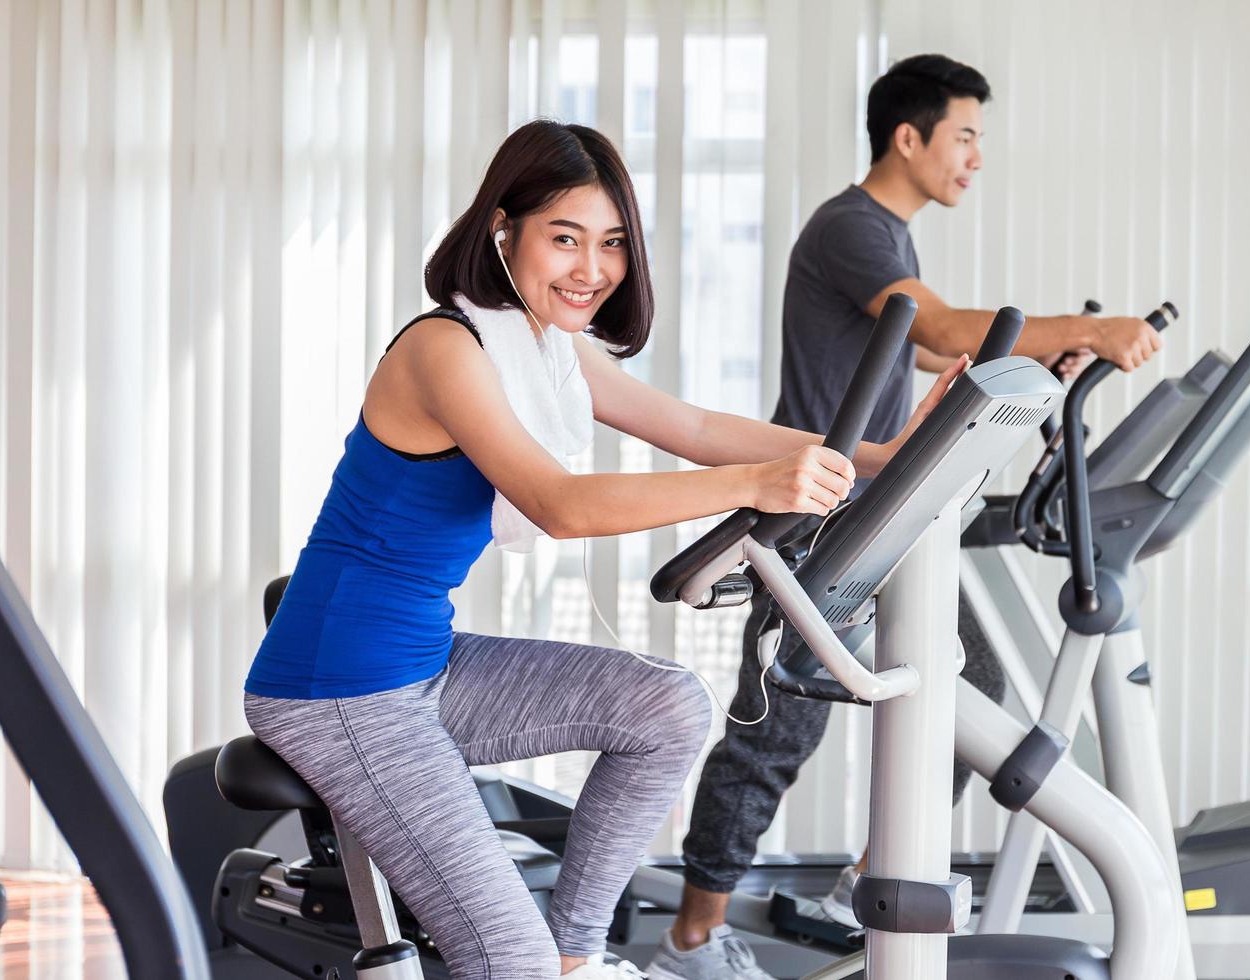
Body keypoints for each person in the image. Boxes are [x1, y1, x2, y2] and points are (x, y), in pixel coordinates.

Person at [240, 119, 964, 980]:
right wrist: (753, 485)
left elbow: (692, 426)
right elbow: (558, 504)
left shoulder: (546, 347)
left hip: (418, 667)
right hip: (337, 693)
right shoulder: (445, 348)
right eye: (565, 238)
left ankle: (576, 955)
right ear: (502, 230)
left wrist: (879, 457)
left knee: (667, 708)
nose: (592, 269)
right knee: (502, 957)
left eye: (612, 242)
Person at [649, 54, 1163, 980]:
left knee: (968, 694)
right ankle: (690, 938)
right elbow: (930, 330)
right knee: (776, 729)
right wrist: (1085, 329)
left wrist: (1040, 366)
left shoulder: (886, 238)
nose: (974, 157)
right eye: (963, 136)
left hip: (880, 515)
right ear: (908, 136)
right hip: (815, 511)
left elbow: (914, 362)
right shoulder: (852, 227)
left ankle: (866, 886)